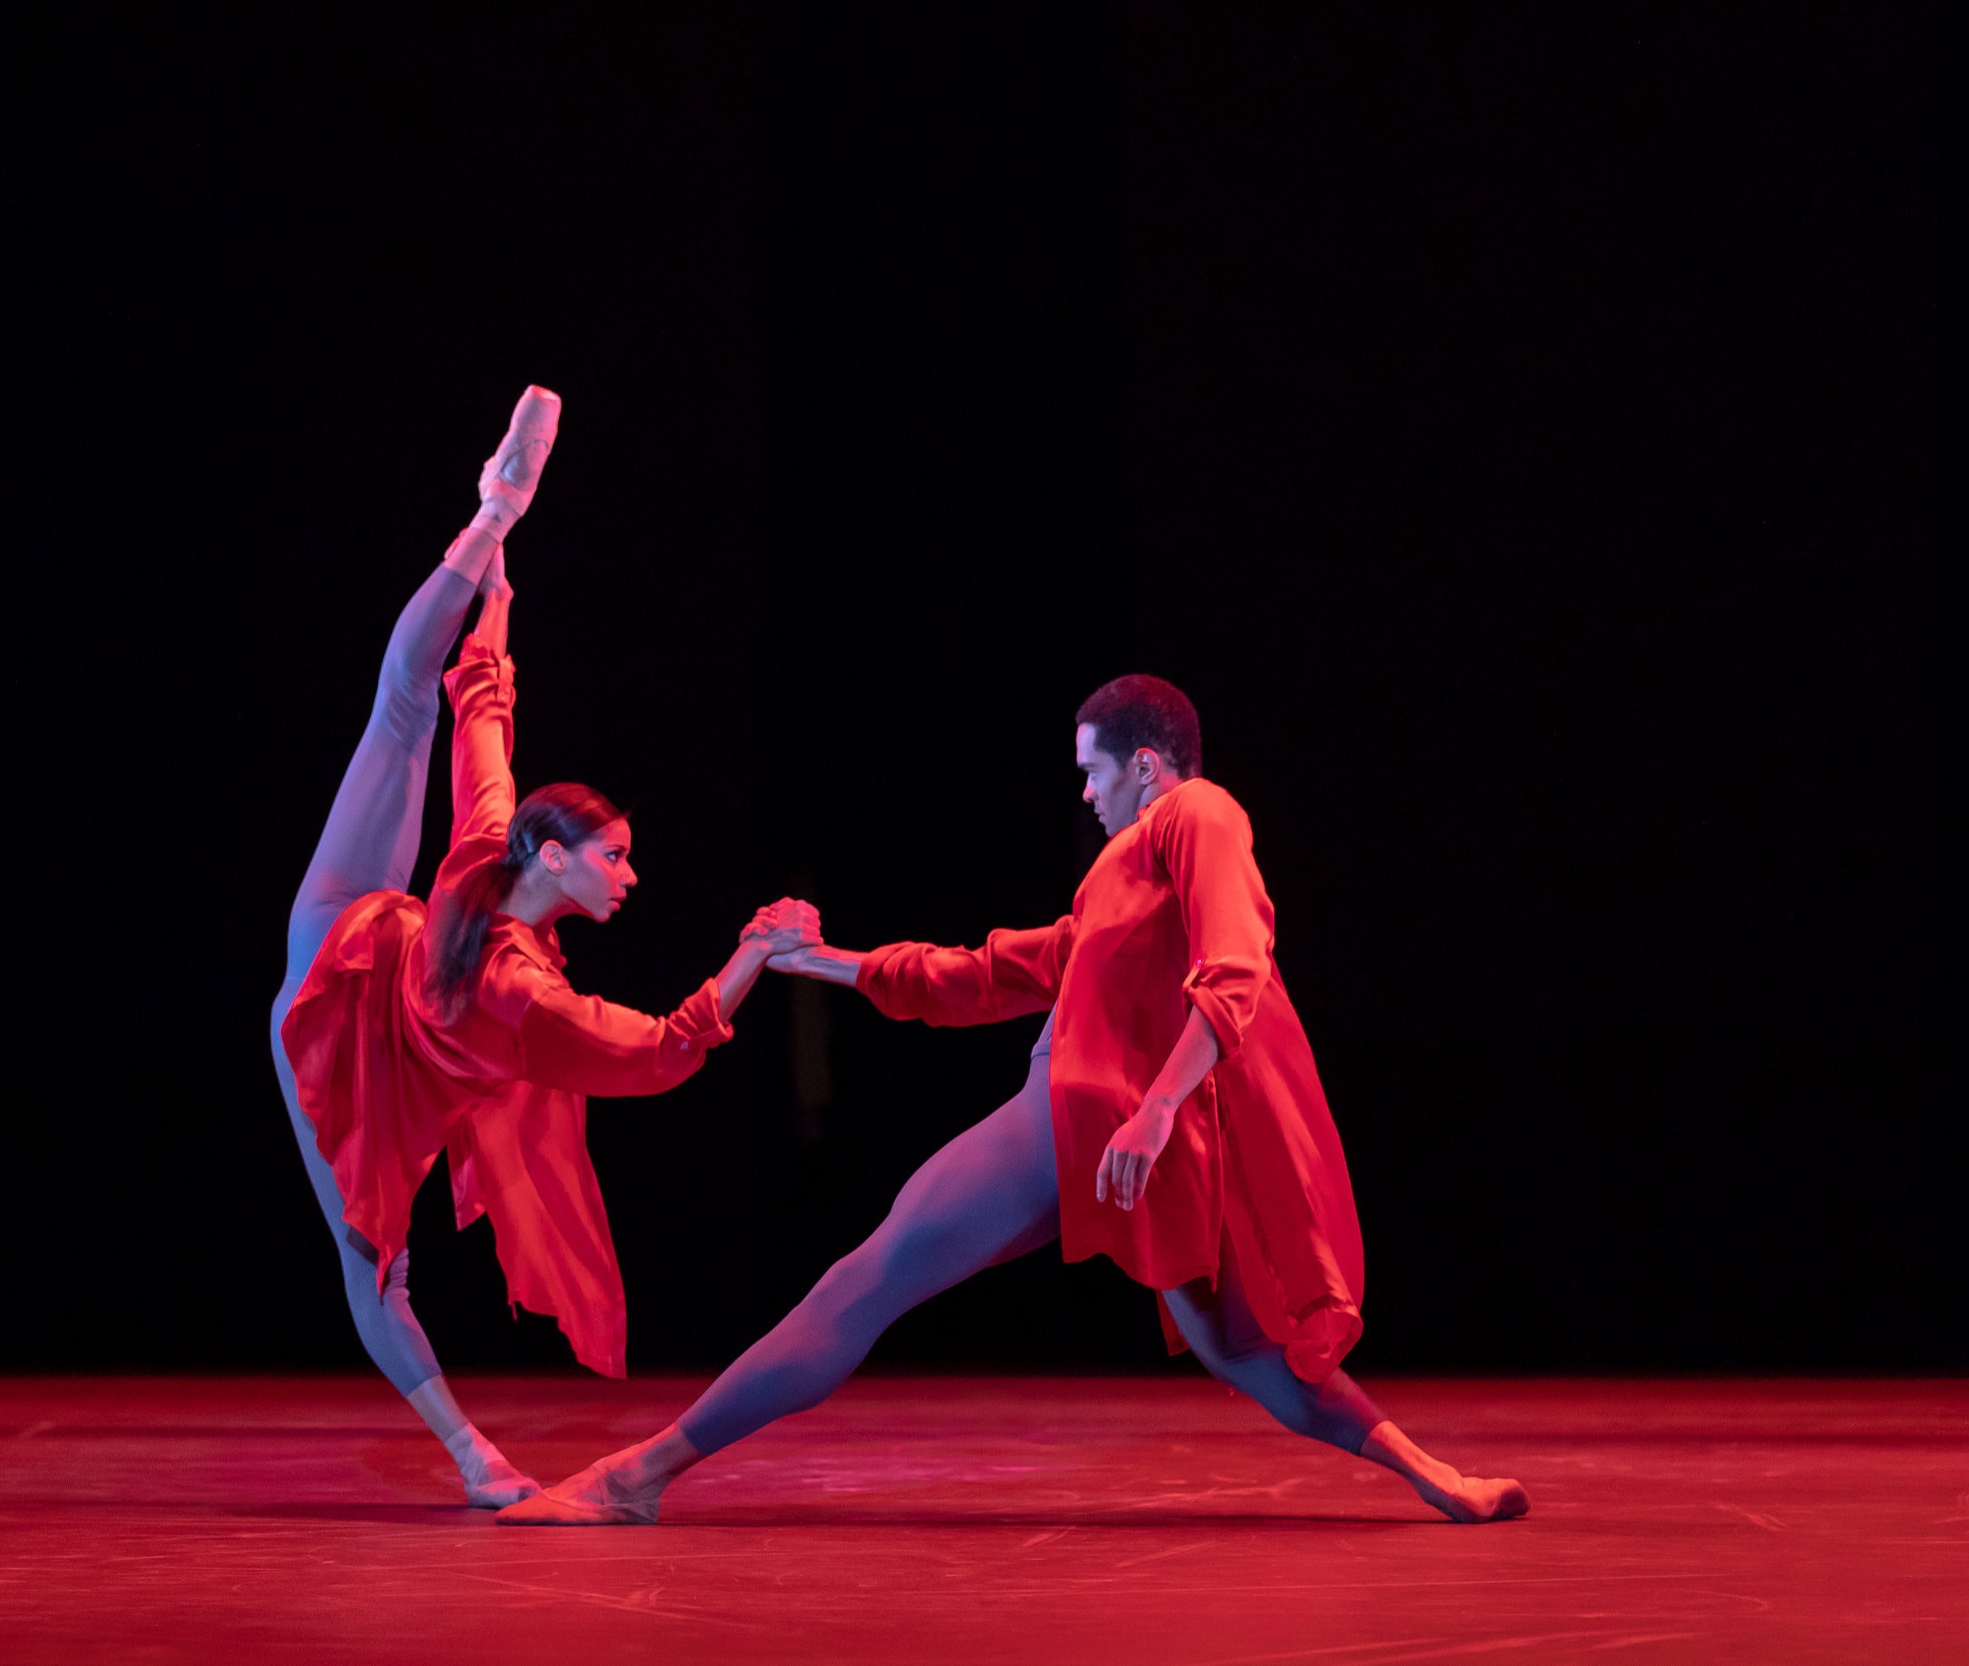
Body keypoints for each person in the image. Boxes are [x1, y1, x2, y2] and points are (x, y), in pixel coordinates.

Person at [502, 674, 1527, 1526]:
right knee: (1240, 1347)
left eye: (1091, 770)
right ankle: (1431, 1477)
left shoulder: (1195, 815)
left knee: (863, 1281)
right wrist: (813, 962)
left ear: (1144, 764)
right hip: (1127, 1140)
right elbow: (987, 974)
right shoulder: (1118, 882)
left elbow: (1236, 968)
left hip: (1087, 1121)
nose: (1084, 793)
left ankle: (637, 1477)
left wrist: (1159, 1104)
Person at [270, 387, 818, 1507]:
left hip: (370, 994)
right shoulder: (521, 979)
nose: (630, 874)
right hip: (335, 1002)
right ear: (553, 854)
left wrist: (496, 582)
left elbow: (485, 713)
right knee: (374, 1259)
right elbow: (657, 1048)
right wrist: (751, 959)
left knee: (404, 712)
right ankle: (477, 1461)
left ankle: (486, 517)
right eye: (613, 856)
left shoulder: (494, 859)